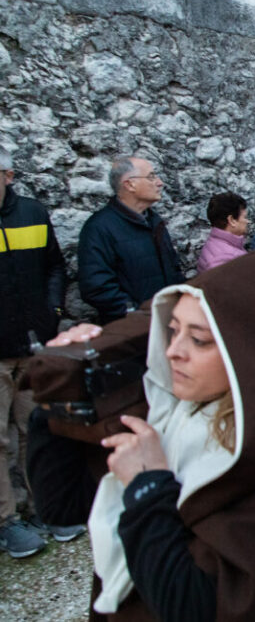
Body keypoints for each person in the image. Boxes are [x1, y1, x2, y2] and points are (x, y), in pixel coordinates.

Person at [28, 247, 255, 620]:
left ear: (253, 352)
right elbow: (62, 505)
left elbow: (198, 609)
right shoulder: (171, 415)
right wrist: (60, 393)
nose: (173, 352)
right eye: (172, 332)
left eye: (199, 339)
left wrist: (148, 486)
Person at [0, 146, 83, 557]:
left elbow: (54, 266)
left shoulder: (32, 213)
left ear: (8, 175)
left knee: (36, 428)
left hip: (32, 344)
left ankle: (43, 506)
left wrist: (51, 312)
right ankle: (7, 521)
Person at [78, 155, 184, 324]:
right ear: (129, 184)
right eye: (151, 176)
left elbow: (173, 269)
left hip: (168, 321)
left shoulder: (154, 221)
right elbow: (96, 287)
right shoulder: (99, 228)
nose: (159, 182)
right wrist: (135, 313)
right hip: (134, 328)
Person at [195, 192, 248, 273]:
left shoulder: (220, 245)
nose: (247, 221)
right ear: (232, 220)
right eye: (245, 217)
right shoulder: (222, 259)